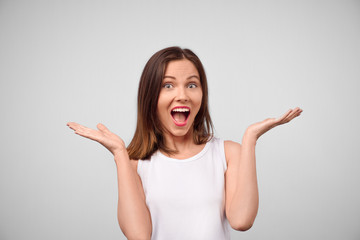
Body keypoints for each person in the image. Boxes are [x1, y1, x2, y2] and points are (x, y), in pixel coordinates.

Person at [67, 46, 302, 240]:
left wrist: (250, 139)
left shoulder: (228, 153)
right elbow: (139, 236)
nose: (182, 95)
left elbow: (241, 221)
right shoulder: (135, 163)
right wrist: (120, 154)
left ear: (202, 94)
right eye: (168, 85)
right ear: (150, 97)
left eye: (192, 85)